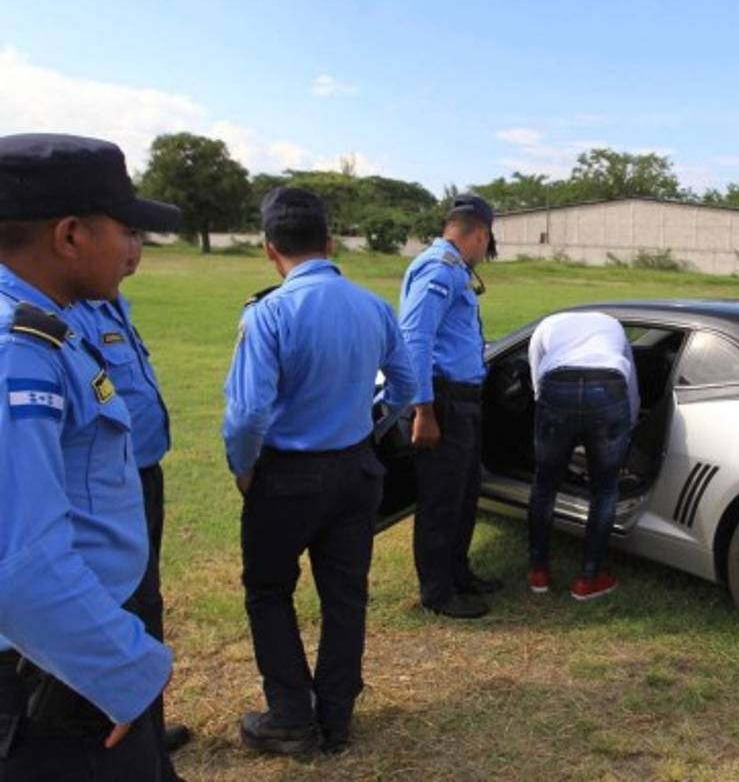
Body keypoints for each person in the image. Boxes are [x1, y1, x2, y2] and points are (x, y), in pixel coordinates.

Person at [0, 133, 179, 780]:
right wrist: (128, 671)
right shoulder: (18, 348)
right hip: (55, 673)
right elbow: (18, 565)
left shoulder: (47, 324)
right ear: (71, 235)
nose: (134, 248)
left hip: (67, 649)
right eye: (123, 229)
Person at [222, 187, 414, 756]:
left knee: (268, 591)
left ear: (268, 249)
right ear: (330, 244)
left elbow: (249, 412)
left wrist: (244, 467)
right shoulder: (374, 307)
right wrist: (366, 426)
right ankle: (336, 717)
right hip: (356, 471)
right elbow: (404, 386)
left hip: (286, 475)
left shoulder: (269, 313)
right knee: (345, 596)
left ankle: (290, 714)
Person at [66, 231, 189, 781]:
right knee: (122, 603)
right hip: (108, 488)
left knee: (144, 601)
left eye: (138, 238)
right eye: (124, 236)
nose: (133, 249)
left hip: (140, 476)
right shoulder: (68, 310)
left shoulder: (110, 298)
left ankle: (145, 727)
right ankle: (128, 729)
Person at [398, 193, 502, 619]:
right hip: (442, 399)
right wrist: (424, 409)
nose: (485, 252)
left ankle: (458, 572)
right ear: (479, 233)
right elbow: (414, 337)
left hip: (462, 400)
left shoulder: (455, 268)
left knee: (463, 493)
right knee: (441, 498)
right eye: (486, 243)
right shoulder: (440, 268)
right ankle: (437, 591)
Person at [526, 311, 639, 599]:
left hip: (557, 387)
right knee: (604, 491)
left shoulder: (547, 324)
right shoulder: (614, 325)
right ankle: (589, 578)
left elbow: (537, 376)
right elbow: (631, 383)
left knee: (544, 486)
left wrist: (551, 412)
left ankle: (538, 572)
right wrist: (628, 421)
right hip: (609, 388)